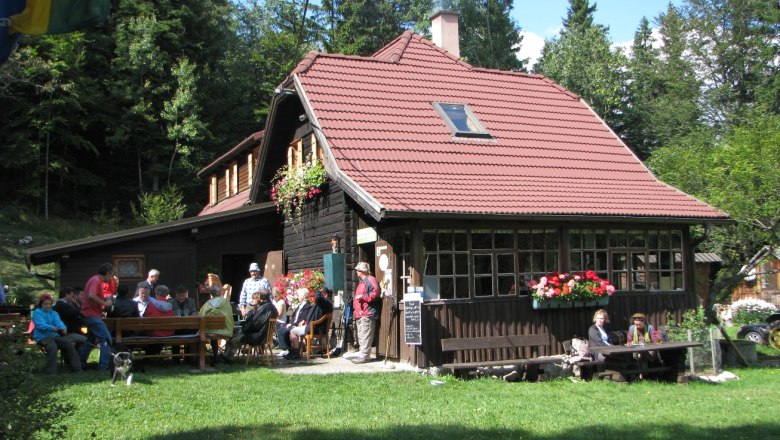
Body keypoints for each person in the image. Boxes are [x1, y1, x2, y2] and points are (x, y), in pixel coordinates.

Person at [222, 289, 278, 362]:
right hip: (262, 335)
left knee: (233, 338)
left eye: (253, 299)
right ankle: (226, 356)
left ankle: (227, 358)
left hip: (258, 337)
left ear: (260, 298)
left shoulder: (262, 308)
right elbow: (246, 318)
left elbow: (254, 324)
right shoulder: (271, 307)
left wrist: (243, 329)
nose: (252, 302)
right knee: (235, 334)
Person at [33, 293, 83, 373]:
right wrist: (53, 328)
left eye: (49, 304)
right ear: (41, 304)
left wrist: (63, 328)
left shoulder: (54, 313)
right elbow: (40, 325)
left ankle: (77, 368)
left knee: (68, 344)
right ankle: (51, 371)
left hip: (54, 336)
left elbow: (59, 322)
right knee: (53, 347)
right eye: (45, 304)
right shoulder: (37, 312)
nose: (47, 306)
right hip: (42, 337)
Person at [79, 263, 115, 371]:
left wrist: (105, 301)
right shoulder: (96, 280)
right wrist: (105, 303)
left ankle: (80, 364)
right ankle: (103, 367)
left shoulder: (96, 280)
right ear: (107, 273)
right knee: (106, 339)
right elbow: (91, 295)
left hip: (90, 314)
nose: (112, 277)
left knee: (90, 341)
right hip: (91, 315)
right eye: (112, 274)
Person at [343, 262, 380, 363]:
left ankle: (364, 356)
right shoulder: (362, 282)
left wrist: (362, 297)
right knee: (361, 335)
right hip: (360, 314)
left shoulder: (370, 279)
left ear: (362, 271)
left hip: (367, 313)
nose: (356, 272)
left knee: (365, 335)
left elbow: (375, 293)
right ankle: (362, 355)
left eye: (358, 270)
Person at [285, 287, 333, 360]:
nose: (318, 295)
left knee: (293, 331)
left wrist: (317, 290)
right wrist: (305, 320)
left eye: (321, 293)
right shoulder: (325, 303)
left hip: (315, 328)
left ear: (325, 294)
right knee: (293, 329)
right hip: (314, 326)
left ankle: (295, 353)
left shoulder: (326, 303)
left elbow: (318, 298)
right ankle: (293, 351)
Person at [199, 285, 236, 364]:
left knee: (212, 334)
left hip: (209, 331)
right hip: (225, 331)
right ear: (220, 293)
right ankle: (226, 356)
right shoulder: (226, 302)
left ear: (211, 294)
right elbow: (230, 318)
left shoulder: (207, 304)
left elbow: (201, 316)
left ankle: (214, 356)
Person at [276, 288, 313, 356]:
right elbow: (294, 317)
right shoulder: (300, 306)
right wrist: (290, 323)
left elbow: (302, 318)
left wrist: (292, 324)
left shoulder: (307, 306)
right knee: (280, 330)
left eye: (298, 295)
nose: (297, 297)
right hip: (294, 324)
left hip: (298, 326)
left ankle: (289, 349)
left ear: (303, 296)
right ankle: (287, 349)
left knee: (284, 331)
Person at [53, 287, 88, 354]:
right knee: (87, 341)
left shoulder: (58, 305)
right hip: (67, 334)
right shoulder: (64, 305)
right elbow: (75, 314)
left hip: (63, 333)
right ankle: (79, 361)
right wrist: (79, 306)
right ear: (66, 295)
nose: (72, 298)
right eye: (71, 296)